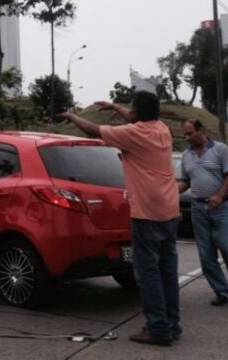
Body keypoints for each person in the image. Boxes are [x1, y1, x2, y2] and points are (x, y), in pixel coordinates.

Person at [58, 91, 181, 346]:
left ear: (137, 114)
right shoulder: (162, 130)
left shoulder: (134, 134)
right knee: (167, 272)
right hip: (169, 210)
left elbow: (93, 130)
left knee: (147, 274)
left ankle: (158, 329)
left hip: (147, 212)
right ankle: (172, 324)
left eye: (131, 110)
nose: (130, 113)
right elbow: (136, 117)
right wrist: (114, 105)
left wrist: (72, 116)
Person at [177, 119, 228, 306]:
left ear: (202, 130)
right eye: (185, 134)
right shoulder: (186, 156)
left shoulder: (221, 150)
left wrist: (219, 196)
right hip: (198, 209)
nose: (187, 137)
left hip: (222, 207)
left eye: (190, 133)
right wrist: (171, 191)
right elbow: (186, 181)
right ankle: (220, 291)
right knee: (206, 254)